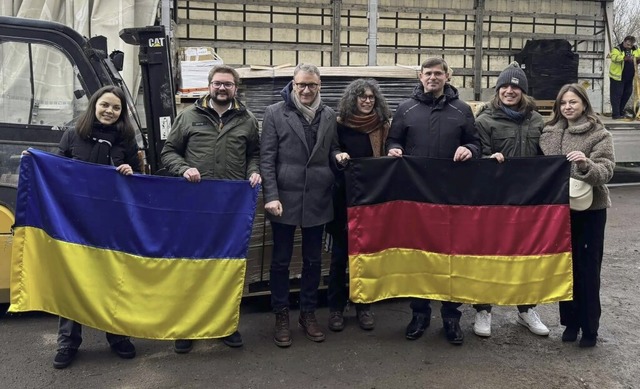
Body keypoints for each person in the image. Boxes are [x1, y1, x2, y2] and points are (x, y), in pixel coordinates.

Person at [161, 65, 260, 354]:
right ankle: (187, 327)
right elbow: (169, 151)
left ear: (236, 88)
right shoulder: (189, 116)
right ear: (209, 85)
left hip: (230, 209)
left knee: (225, 267)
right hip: (195, 206)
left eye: (228, 84)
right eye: (217, 83)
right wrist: (184, 168)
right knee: (191, 265)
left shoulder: (248, 120)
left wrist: (254, 172)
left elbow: (254, 154)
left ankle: (225, 324)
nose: (222, 88)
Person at [386, 57, 480, 345]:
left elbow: (477, 143)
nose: (433, 77)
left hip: (453, 196)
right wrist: (395, 150)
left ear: (447, 76)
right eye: (428, 73)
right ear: (420, 76)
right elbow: (393, 140)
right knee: (419, 255)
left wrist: (469, 149)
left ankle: (452, 318)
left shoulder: (462, 110)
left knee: (453, 256)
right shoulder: (405, 109)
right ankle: (419, 314)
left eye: (438, 73)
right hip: (417, 197)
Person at [53, 85, 141, 369]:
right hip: (75, 223)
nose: (110, 111)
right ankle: (68, 342)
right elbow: (55, 172)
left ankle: (117, 337)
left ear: (121, 113)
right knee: (73, 281)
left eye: (116, 108)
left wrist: (131, 173)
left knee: (112, 280)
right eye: (105, 105)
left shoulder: (126, 142)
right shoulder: (72, 135)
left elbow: (140, 183)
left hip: (111, 224)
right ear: (94, 105)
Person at [260, 63, 346, 347]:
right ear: (293, 85)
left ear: (319, 85)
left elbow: (331, 147)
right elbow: (267, 158)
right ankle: (281, 314)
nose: (307, 90)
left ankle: (307, 313)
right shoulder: (275, 113)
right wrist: (271, 195)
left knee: (312, 260)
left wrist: (338, 156)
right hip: (284, 197)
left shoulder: (329, 115)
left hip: (318, 196)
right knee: (281, 260)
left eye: (312, 85)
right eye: (301, 85)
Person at [473, 62, 550, 338]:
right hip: (494, 200)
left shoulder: (537, 121)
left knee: (526, 255)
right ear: (498, 90)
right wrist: (487, 159)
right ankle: (483, 308)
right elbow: (476, 155)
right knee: (489, 253)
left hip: (528, 200)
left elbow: (547, 157)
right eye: (504, 86)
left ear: (523, 91)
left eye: (515, 86)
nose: (509, 90)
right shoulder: (484, 121)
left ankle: (527, 309)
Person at [540, 84, 615, 347]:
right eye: (563, 103)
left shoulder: (599, 134)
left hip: (590, 211)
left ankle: (590, 327)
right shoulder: (548, 133)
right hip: (559, 211)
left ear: (584, 104)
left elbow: (606, 171)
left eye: (573, 102)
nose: (568, 107)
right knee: (566, 268)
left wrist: (585, 164)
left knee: (588, 269)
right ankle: (570, 323)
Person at [325, 78, 391, 332]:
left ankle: (363, 306)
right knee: (339, 257)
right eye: (362, 96)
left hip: (372, 202)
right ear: (353, 99)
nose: (366, 101)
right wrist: (337, 156)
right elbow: (329, 151)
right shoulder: (339, 124)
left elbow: (391, 152)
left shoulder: (383, 126)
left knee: (367, 257)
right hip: (343, 200)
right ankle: (335, 309)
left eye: (371, 97)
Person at [609, 35, 640, 119]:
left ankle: (620, 111)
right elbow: (613, 57)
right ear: (624, 41)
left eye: (631, 45)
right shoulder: (617, 49)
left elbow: (638, 55)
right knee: (616, 95)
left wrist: (637, 59)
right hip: (617, 77)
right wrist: (624, 58)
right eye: (628, 44)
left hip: (629, 78)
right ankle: (616, 114)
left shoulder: (635, 49)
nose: (629, 46)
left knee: (627, 93)